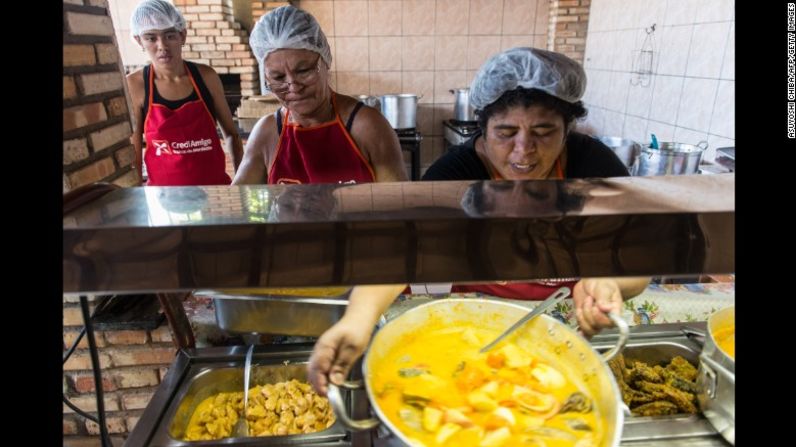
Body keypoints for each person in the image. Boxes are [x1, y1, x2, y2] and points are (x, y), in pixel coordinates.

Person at [307, 47, 649, 396]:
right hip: (473, 329)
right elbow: (404, 250)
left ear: (567, 130)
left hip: (565, 325)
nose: (523, 150)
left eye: (544, 132)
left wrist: (608, 280)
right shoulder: (455, 175)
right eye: (505, 132)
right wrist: (358, 319)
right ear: (482, 129)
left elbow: (641, 252)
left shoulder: (593, 165)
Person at [232, 5, 407, 185]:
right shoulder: (267, 133)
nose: (293, 86)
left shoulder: (367, 127)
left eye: (303, 70)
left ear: (325, 60)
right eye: (278, 77)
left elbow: (395, 205)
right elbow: (240, 203)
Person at [126, 0, 243, 186]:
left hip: (215, 193)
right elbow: (134, 150)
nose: (162, 46)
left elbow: (232, 135)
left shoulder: (206, 76)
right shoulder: (136, 84)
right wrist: (135, 196)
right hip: (163, 200)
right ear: (139, 40)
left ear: (182, 36)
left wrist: (240, 185)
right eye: (151, 38)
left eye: (169, 35)